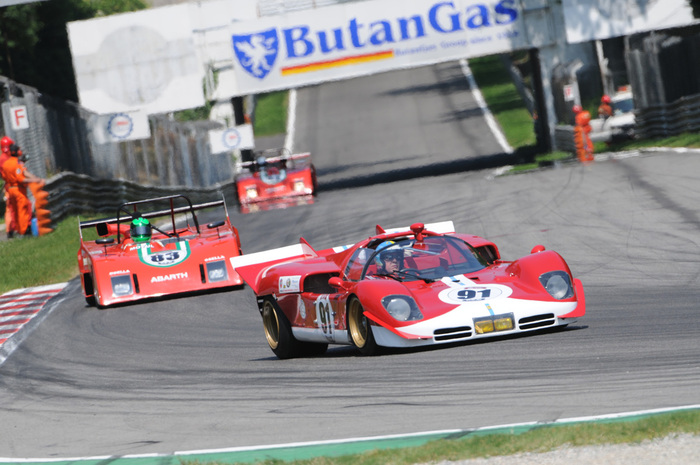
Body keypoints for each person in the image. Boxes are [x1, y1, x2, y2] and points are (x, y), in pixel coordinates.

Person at [1, 144, 42, 237]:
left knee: (15, 211)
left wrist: (34, 177)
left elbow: (4, 177)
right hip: (18, 189)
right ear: (16, 152)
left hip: (10, 189)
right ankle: (24, 231)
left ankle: (19, 230)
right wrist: (34, 180)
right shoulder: (17, 163)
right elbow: (21, 178)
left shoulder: (6, 164)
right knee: (22, 210)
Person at [1, 136, 18, 238]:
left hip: (9, 185)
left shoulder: (4, 157)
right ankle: (10, 230)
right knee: (11, 208)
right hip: (10, 185)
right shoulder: (5, 158)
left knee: (11, 208)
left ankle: (12, 228)